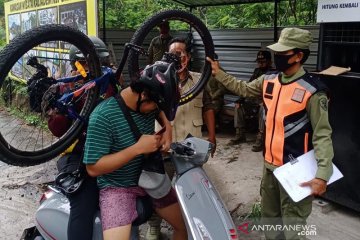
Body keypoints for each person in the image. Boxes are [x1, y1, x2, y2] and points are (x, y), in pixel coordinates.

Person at [206, 28, 334, 239]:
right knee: (271, 225)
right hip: (269, 169)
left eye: (284, 53)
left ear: (299, 56)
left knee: (293, 230)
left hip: (296, 170)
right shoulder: (269, 80)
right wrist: (218, 73)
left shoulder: (313, 91)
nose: (278, 57)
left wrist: (322, 175)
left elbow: (322, 135)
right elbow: (243, 89)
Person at [83, 60, 187, 240]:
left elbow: (161, 113)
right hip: (117, 187)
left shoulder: (148, 104)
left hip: (150, 177)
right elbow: (93, 168)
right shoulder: (102, 116)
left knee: (184, 226)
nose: (156, 110)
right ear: (143, 95)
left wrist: (168, 132)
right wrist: (136, 149)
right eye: (156, 105)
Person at [46, 36, 123, 240]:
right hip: (77, 157)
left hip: (109, 153)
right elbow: (57, 129)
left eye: (98, 62)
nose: (93, 67)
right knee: (84, 202)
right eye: (87, 63)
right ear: (76, 63)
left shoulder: (110, 83)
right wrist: (60, 109)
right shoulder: (65, 88)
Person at [146, 37, 217, 240]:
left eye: (180, 53)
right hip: (165, 147)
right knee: (159, 190)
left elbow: (209, 108)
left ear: (187, 57)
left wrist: (212, 136)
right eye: (173, 54)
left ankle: (191, 223)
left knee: (193, 189)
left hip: (190, 147)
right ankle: (154, 225)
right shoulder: (158, 80)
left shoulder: (200, 80)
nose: (177, 57)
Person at [228, 50, 273, 147]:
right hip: (253, 100)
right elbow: (248, 87)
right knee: (238, 106)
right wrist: (240, 99)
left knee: (263, 108)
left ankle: (261, 136)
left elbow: (272, 93)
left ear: (269, 62)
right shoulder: (257, 71)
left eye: (263, 62)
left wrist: (264, 102)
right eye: (259, 62)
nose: (260, 64)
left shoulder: (273, 74)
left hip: (266, 102)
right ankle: (240, 133)